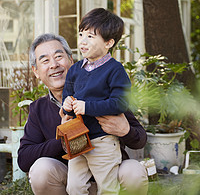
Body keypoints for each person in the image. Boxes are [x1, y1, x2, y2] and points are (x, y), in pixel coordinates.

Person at [17, 33, 148, 195]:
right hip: (71, 183)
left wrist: (126, 131)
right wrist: (65, 140)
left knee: (134, 171)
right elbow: (24, 159)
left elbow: (140, 139)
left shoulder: (100, 93)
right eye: (45, 60)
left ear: (71, 61)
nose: (53, 65)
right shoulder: (38, 108)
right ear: (36, 71)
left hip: (111, 176)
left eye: (59, 56)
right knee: (40, 170)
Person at [62, 8, 131, 194]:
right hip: (77, 137)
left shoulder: (115, 70)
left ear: (109, 42)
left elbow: (120, 103)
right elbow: (67, 97)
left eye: (91, 36)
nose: (83, 41)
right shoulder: (75, 70)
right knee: (74, 187)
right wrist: (67, 104)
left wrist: (88, 107)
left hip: (103, 140)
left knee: (107, 187)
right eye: (81, 34)